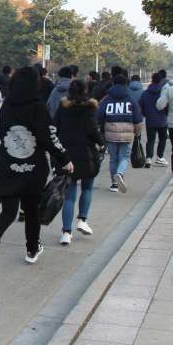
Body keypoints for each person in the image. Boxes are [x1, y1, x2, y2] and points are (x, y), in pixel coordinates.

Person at [0, 66, 73, 268]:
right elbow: (49, 137)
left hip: (8, 164)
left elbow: (2, 133)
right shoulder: (37, 107)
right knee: (31, 211)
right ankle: (32, 250)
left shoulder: (6, 105)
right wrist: (64, 159)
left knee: (9, 211)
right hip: (33, 167)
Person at [54, 80, 104, 245]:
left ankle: (66, 233)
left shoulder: (62, 107)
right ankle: (82, 219)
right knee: (87, 188)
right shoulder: (90, 108)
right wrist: (101, 143)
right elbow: (93, 130)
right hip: (86, 155)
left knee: (69, 196)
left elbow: (54, 128)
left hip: (66, 156)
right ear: (85, 91)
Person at [97, 74, 143, 193]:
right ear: (126, 84)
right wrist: (137, 133)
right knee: (124, 157)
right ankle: (120, 173)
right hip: (127, 134)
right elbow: (138, 119)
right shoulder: (130, 99)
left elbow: (99, 116)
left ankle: (114, 184)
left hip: (110, 133)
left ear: (113, 84)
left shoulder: (107, 99)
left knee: (113, 158)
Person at [139, 72, 169, 168]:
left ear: (152, 80)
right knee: (162, 139)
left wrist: (146, 114)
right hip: (162, 120)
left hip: (150, 120)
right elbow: (167, 106)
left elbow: (141, 105)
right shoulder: (163, 93)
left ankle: (148, 158)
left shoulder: (145, 93)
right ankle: (160, 157)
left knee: (150, 140)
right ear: (160, 81)